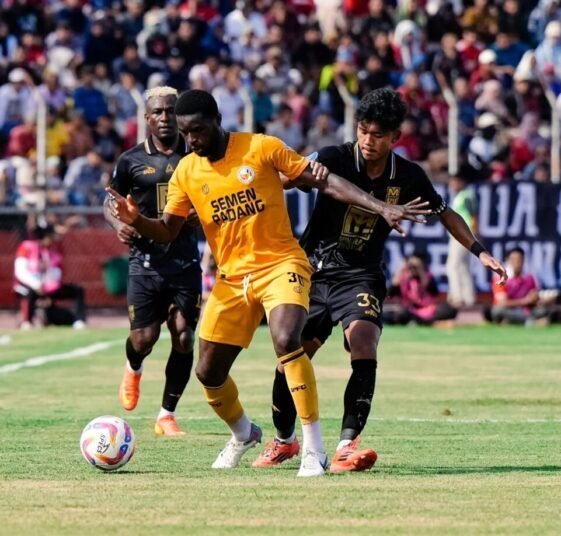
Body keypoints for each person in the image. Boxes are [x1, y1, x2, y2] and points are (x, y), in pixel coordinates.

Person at [106, 89, 429, 477]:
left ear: (215, 120)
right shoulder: (187, 172)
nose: (190, 141)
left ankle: (314, 448)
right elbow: (167, 230)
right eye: (184, 133)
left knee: (286, 339)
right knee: (207, 372)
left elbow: (324, 181)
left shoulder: (261, 148)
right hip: (231, 278)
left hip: (282, 265)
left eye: (196, 131)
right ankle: (244, 433)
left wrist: (381, 207)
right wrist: (136, 220)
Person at [253, 88, 507, 474]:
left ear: (394, 138)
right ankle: (285, 441)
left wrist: (480, 251)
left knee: (364, 342)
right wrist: (292, 179)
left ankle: (345, 446)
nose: (368, 141)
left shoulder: (408, 176)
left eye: (377, 135)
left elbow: (445, 212)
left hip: (361, 274)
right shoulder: (334, 157)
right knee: (291, 357)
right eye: (364, 131)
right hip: (313, 271)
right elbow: (285, 178)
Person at [103, 86, 202, 437]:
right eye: (158, 112)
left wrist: (199, 218)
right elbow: (111, 202)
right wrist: (119, 225)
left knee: (185, 337)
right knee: (144, 338)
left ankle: (166, 414)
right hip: (144, 262)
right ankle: (133, 366)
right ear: (147, 118)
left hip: (186, 263)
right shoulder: (130, 160)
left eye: (170, 111)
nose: (165, 118)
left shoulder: (196, 155)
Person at [13, 224, 86, 330]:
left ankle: (79, 321)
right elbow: (21, 271)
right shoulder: (26, 247)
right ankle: (27, 322)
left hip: (46, 286)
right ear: (46, 236)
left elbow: (56, 272)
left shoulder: (52, 252)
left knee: (77, 290)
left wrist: (49, 286)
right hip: (28, 285)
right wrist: (36, 285)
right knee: (29, 292)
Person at [384, 253, 458, 325]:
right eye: (411, 267)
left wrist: (420, 270)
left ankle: (419, 320)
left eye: (415, 267)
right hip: (408, 310)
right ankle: (421, 321)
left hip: (427, 309)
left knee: (450, 310)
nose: (413, 269)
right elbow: (390, 293)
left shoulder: (427, 276)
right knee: (395, 313)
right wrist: (401, 270)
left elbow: (434, 292)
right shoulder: (402, 278)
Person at [484, 247, 551, 325]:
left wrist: (541, 300)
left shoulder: (530, 277)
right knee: (497, 311)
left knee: (543, 310)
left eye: (520, 260)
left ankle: (512, 321)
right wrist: (525, 301)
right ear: (508, 260)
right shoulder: (500, 277)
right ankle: (532, 322)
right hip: (508, 310)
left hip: (525, 310)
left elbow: (534, 298)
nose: (517, 263)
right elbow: (502, 302)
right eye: (514, 260)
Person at [446, 175, 478, 308]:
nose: (451, 185)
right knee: (463, 266)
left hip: (462, 234)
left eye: (453, 181)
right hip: (462, 234)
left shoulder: (466, 196)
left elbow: (473, 215)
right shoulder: (461, 196)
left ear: (460, 181)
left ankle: (457, 296)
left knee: (452, 266)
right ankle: (468, 297)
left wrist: (474, 233)